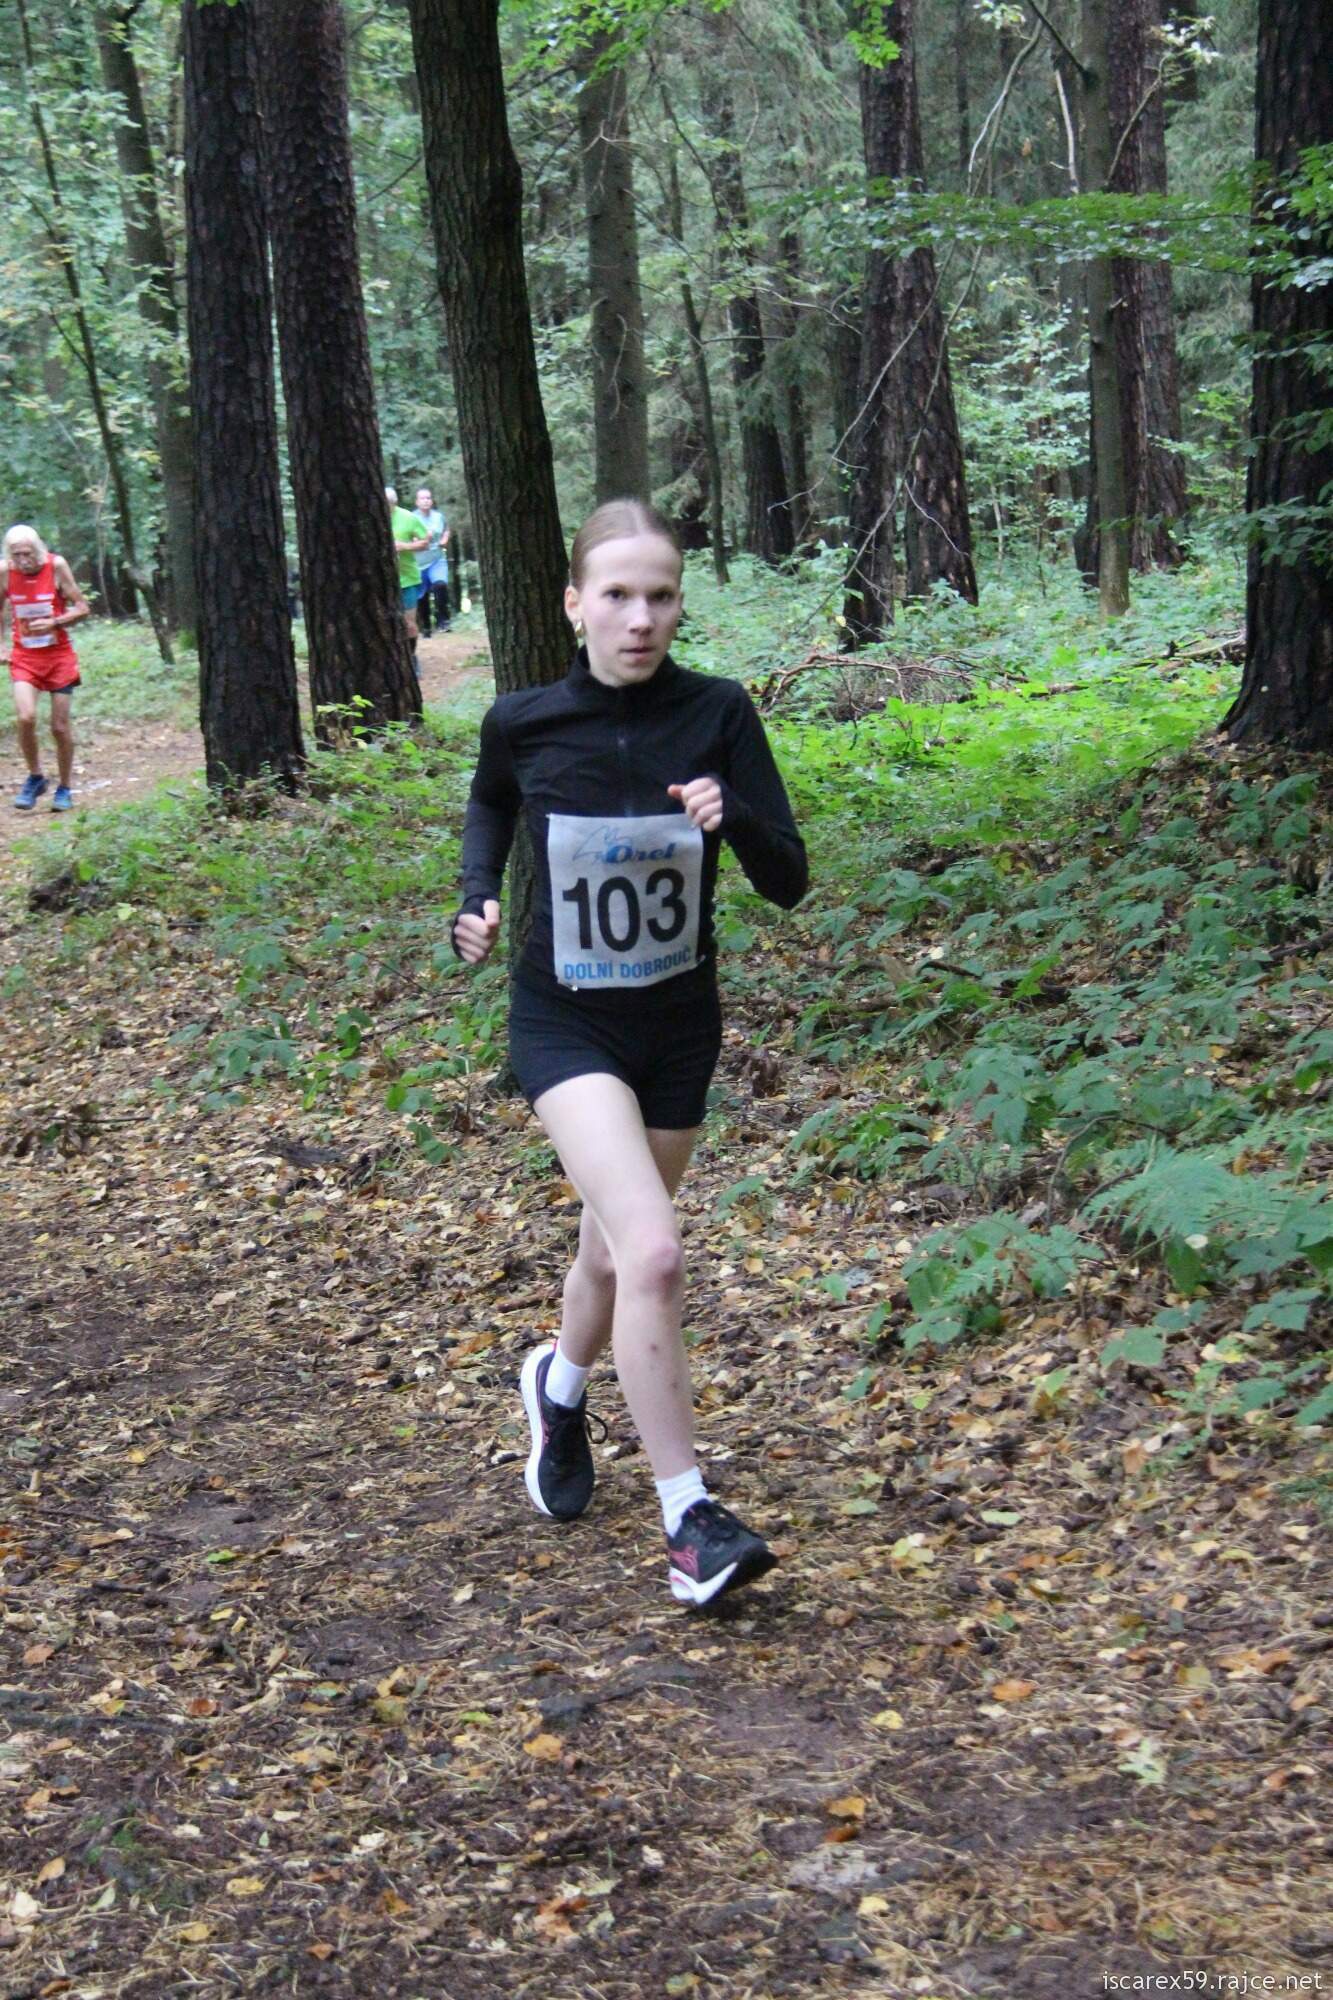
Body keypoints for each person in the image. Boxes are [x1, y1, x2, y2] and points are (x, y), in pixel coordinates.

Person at [451, 499, 808, 1607]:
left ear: (679, 604)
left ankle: (557, 1389)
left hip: (678, 1024)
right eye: (616, 594)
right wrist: (475, 895)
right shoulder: (524, 720)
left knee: (610, 1255)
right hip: (565, 1021)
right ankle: (688, 1519)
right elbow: (489, 804)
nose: (639, 617)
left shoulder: (718, 712)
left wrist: (731, 812)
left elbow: (789, 879)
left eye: (659, 595)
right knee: (652, 1250)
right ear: (575, 604)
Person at [2, 524, 90, 813]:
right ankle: (36, 777)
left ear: (38, 550)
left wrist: (54, 622)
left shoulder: (56, 566)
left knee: (59, 727)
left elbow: (82, 608)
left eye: (27, 553)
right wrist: (1, 646)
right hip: (25, 657)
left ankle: (64, 787)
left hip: (58, 657)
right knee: (25, 717)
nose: (23, 560)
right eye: (16, 555)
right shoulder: (5, 571)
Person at [386, 487, 430, 672]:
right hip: (380, 581)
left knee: (408, 623)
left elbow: (425, 542)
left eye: (389, 504)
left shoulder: (408, 517)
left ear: (394, 503)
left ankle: (411, 658)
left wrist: (403, 546)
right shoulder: (367, 518)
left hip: (407, 579)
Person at [413, 486, 451, 638]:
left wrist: (444, 540)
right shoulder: (411, 518)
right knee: (421, 597)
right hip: (418, 563)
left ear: (432, 501)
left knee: (440, 585)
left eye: (428, 498)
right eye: (422, 498)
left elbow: (446, 529)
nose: (426, 501)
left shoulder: (438, 517)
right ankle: (426, 627)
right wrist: (417, 541)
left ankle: (443, 620)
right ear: (417, 502)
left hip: (437, 559)